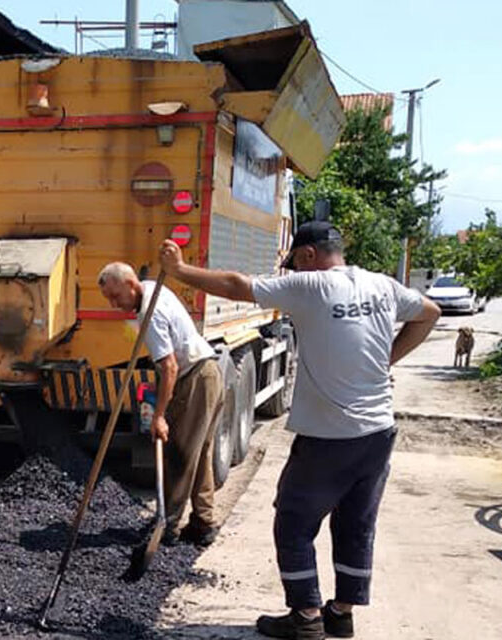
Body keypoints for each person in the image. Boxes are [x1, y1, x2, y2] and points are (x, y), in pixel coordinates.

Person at [160, 221, 441, 640]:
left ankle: (306, 616)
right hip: (378, 431)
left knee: (292, 520)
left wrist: (180, 270)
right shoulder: (383, 286)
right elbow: (430, 313)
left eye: (293, 262)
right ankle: (341, 614)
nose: (291, 270)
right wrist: (386, 361)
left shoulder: (312, 286)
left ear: (308, 256)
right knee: (356, 522)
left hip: (330, 436)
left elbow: (239, 285)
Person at [97, 262, 224, 547]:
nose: (115, 305)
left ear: (131, 284)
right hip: (208, 373)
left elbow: (169, 367)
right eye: (109, 299)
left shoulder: (148, 313)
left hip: (194, 378)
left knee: (179, 454)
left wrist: (159, 416)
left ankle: (168, 526)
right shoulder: (153, 288)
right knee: (200, 453)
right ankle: (204, 523)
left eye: (116, 297)